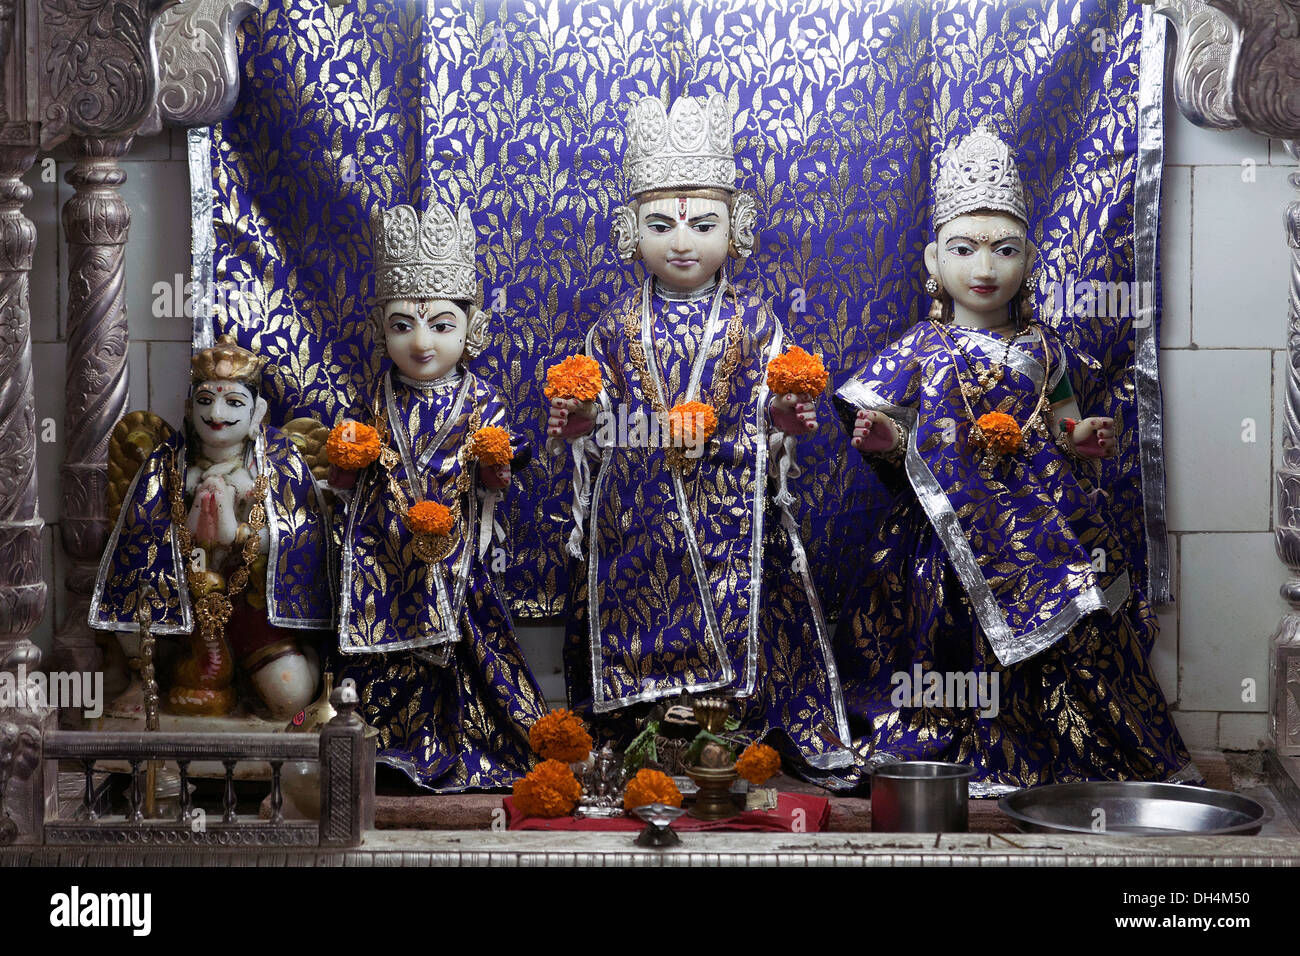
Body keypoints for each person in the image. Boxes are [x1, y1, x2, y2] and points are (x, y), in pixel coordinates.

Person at [834, 124, 1198, 793]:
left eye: (1004, 250)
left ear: (1029, 259)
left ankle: (1051, 744)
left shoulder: (1044, 348)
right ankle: (961, 741)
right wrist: (887, 440)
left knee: (1073, 615)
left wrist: (1080, 435)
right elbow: (885, 422)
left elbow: (1061, 423)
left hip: (1042, 530)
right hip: (947, 539)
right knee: (943, 628)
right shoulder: (922, 346)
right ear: (931, 261)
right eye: (963, 249)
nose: (984, 268)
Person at [549, 92, 854, 784]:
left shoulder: (755, 319)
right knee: (634, 572)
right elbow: (596, 429)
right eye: (661, 225)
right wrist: (583, 426)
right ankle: (643, 726)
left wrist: (781, 423)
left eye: (702, 224)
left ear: (735, 228)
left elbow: (769, 401)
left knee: (744, 589)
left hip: (729, 500)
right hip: (639, 511)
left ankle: (728, 724)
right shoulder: (612, 328)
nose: (681, 242)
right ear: (632, 231)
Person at [329, 201, 548, 791]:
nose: (421, 342)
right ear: (382, 329)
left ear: (470, 329)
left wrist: (495, 467)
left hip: (457, 553)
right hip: (384, 552)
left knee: (463, 648)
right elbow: (346, 476)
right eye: (403, 324)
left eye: (441, 325)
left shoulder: (482, 400)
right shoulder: (374, 398)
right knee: (381, 650)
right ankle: (387, 745)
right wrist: (348, 466)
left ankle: (454, 747)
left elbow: (500, 475)